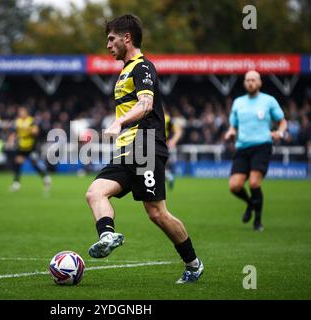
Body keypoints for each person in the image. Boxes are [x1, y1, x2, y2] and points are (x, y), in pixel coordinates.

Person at [85, 14, 204, 284]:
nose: (108, 45)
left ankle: (193, 264)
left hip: (147, 145)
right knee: (95, 192)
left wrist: (118, 121)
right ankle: (107, 236)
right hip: (128, 149)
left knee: (157, 213)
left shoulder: (143, 67)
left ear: (127, 38)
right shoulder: (124, 71)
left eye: (111, 39)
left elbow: (146, 104)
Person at [224, 70, 287, 231]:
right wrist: (231, 132)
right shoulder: (238, 102)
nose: (250, 82)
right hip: (242, 147)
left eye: (253, 80)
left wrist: (279, 133)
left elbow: (282, 122)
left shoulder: (269, 101)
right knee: (234, 186)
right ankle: (251, 203)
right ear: (244, 83)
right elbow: (233, 125)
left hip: (262, 145)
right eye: (247, 80)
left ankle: (258, 221)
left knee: (253, 182)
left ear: (259, 83)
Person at [10, 106, 51, 192]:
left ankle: (45, 177)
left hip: (31, 146)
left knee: (34, 164)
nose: (20, 113)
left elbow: (36, 132)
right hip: (21, 146)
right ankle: (16, 183)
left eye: (22, 112)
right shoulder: (18, 121)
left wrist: (28, 128)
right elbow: (15, 132)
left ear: (26, 112)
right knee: (17, 163)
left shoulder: (32, 121)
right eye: (19, 112)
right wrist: (12, 139)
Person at [164, 108, 183, 190]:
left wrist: (173, 141)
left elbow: (178, 131)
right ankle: (168, 176)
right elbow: (179, 132)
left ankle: (168, 176)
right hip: (161, 145)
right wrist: (173, 141)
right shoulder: (167, 118)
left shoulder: (166, 119)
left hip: (158, 145)